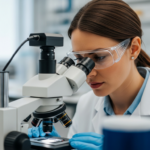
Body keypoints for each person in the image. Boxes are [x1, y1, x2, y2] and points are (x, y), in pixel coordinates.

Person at [28, 0, 150, 150]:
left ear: (133, 49)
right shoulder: (87, 104)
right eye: (80, 60)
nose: (88, 74)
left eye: (99, 57)